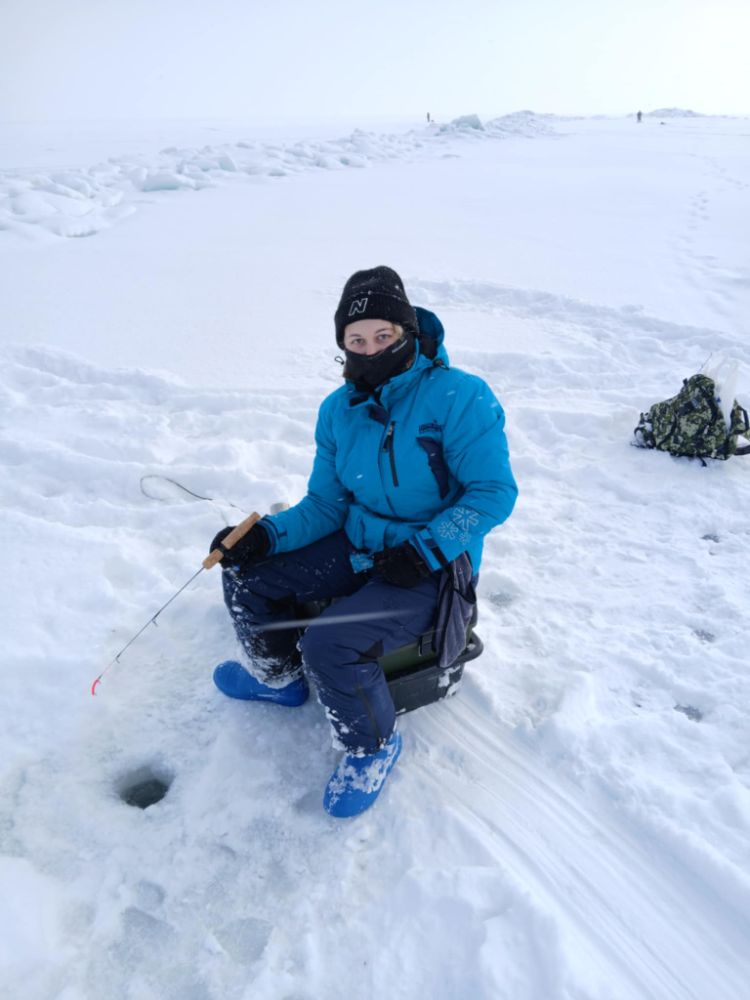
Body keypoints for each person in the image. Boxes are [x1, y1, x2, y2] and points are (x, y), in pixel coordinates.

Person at [209, 267, 518, 817]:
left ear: (407, 332)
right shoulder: (338, 411)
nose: (370, 349)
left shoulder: (460, 396)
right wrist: (265, 537)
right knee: (248, 577)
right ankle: (279, 679)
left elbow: (492, 494)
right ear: (342, 344)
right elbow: (326, 505)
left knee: (329, 645)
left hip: (433, 564)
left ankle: (372, 747)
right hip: (360, 544)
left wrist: (426, 550)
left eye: (383, 335)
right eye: (356, 340)